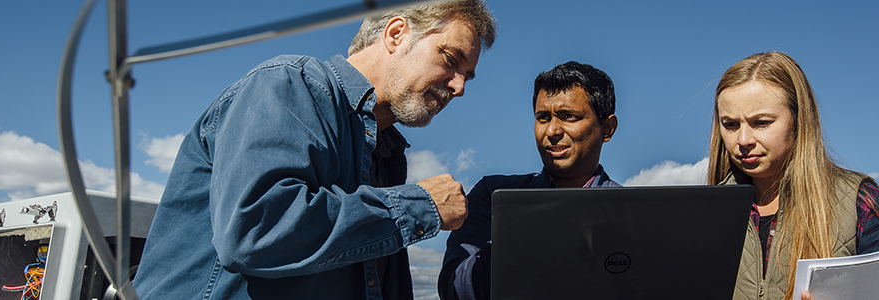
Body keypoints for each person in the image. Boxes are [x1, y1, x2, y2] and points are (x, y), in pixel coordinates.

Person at [131, 1, 497, 299]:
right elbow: (256, 229)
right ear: (396, 33)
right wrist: (421, 205)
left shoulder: (386, 151)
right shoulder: (289, 84)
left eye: (467, 74)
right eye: (450, 60)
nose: (459, 86)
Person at [707, 51, 879, 300]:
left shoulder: (861, 202)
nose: (743, 140)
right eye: (730, 124)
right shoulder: (702, 213)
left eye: (761, 122)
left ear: (799, 120)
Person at [437, 61, 621, 300]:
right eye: (543, 117)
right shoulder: (492, 196)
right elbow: (453, 291)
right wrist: (514, 238)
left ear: (607, 128)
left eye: (568, 116)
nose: (552, 131)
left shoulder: (636, 214)